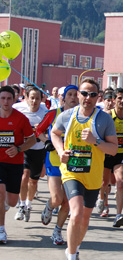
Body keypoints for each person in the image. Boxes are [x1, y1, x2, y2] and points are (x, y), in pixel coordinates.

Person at [51, 79, 117, 260]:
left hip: (93, 176)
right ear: (78, 94)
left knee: (85, 219)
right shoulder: (67, 116)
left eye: (92, 94)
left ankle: (75, 250)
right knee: (76, 213)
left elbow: (113, 149)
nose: (88, 98)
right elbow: (54, 133)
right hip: (72, 172)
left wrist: (96, 142)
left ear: (98, 97)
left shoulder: (104, 119)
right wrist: (61, 151)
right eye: (84, 93)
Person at [35, 85, 79, 245]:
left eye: (76, 94)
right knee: (57, 198)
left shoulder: (83, 116)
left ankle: (57, 231)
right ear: (64, 97)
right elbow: (38, 130)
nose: (73, 97)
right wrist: (47, 141)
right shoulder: (54, 114)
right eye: (70, 94)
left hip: (74, 162)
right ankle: (49, 205)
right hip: (54, 160)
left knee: (68, 202)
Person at [0, 86, 36, 244]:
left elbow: (32, 139)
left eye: (9, 98)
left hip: (14, 163)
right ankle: (1, 229)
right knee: (0, 194)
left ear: (14, 99)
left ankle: (5, 206)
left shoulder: (21, 119)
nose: (6, 102)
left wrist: (19, 148)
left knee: (12, 201)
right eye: (2, 98)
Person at [98, 88, 123, 227]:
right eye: (119, 98)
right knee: (103, 183)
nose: (122, 101)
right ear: (114, 100)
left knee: (120, 183)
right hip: (107, 153)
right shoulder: (107, 115)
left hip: (121, 154)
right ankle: (102, 200)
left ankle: (119, 214)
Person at [13, 85, 48, 222]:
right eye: (32, 98)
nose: (34, 101)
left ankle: (28, 204)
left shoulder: (45, 112)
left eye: (37, 99)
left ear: (41, 99)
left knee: (33, 181)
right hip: (24, 149)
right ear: (26, 98)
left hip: (39, 150)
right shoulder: (18, 109)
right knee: (24, 176)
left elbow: (48, 132)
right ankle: (21, 205)